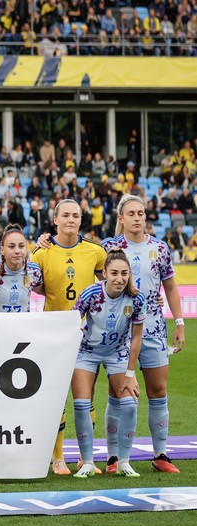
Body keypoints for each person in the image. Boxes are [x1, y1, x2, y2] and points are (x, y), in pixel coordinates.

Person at [101, 194, 186, 473]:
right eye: (132, 213)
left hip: (154, 330)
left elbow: (170, 288)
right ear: (121, 218)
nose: (138, 218)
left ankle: (161, 454)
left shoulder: (159, 248)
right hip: (120, 335)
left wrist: (180, 322)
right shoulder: (109, 247)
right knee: (121, 394)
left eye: (142, 213)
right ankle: (113, 458)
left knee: (158, 391)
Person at [33, 198, 107, 475]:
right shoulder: (41, 253)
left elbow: (108, 281)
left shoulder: (95, 251)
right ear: (55, 220)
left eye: (76, 215)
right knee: (57, 398)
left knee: (84, 397)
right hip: (54, 334)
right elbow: (36, 287)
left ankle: (85, 458)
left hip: (87, 333)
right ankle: (58, 458)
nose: (71, 220)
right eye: (65, 215)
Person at [71, 250, 145, 478]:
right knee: (82, 404)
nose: (119, 278)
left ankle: (123, 462)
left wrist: (130, 373)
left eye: (124, 273)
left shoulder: (136, 298)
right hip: (87, 352)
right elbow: (72, 321)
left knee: (130, 404)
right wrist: (77, 328)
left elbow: (136, 338)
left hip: (117, 353)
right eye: (114, 273)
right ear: (104, 273)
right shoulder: (91, 293)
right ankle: (87, 463)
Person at [0, 225, 44, 312]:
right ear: (2, 250)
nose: (17, 251)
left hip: (22, 324)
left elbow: (44, 290)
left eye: (21, 246)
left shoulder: (34, 271)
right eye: (11, 246)